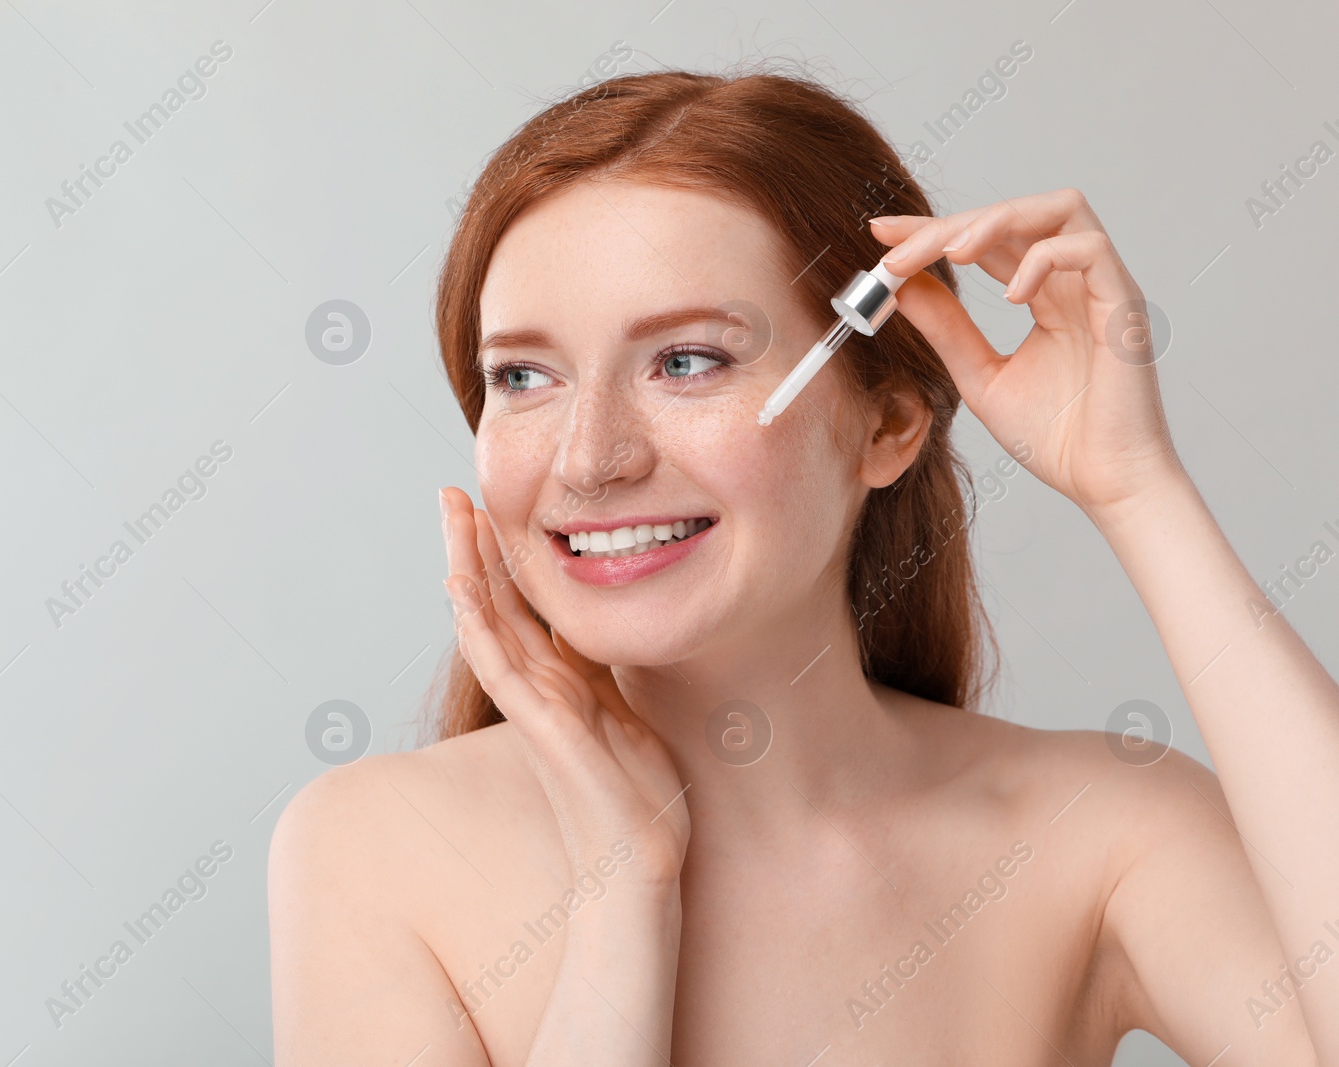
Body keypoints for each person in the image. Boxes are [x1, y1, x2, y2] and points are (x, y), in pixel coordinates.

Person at [269, 67, 1337, 1065]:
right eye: (523, 374)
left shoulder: (1097, 830)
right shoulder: (376, 847)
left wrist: (1135, 488)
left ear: (887, 423)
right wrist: (621, 893)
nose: (590, 459)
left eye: (687, 360)